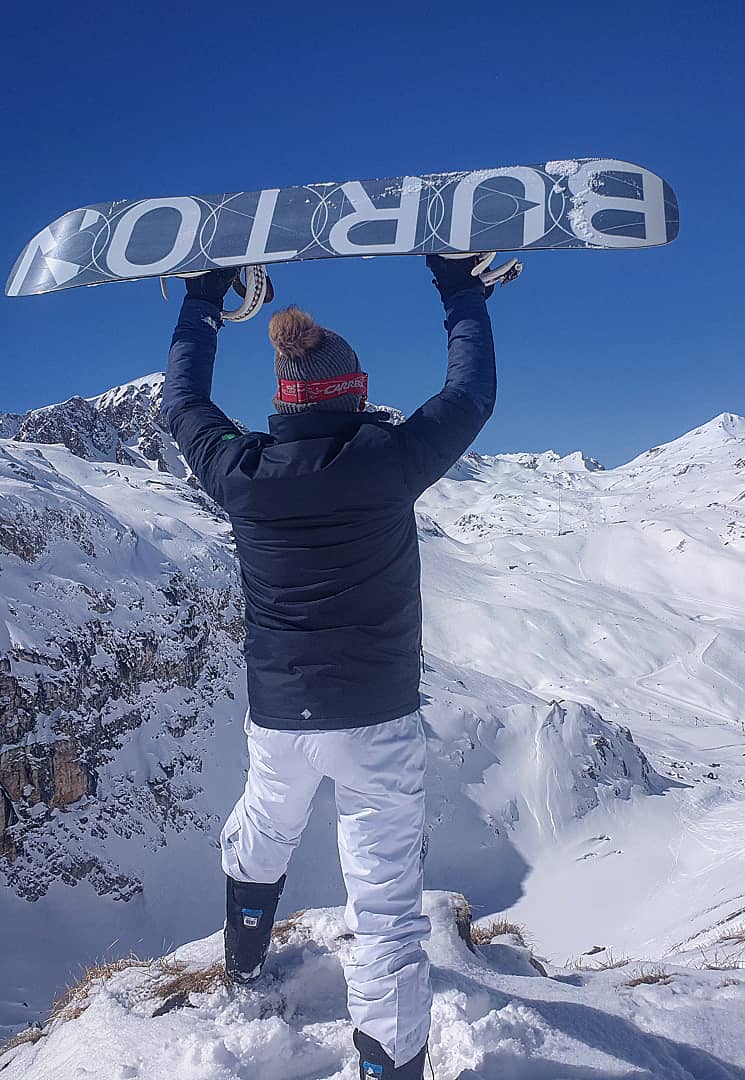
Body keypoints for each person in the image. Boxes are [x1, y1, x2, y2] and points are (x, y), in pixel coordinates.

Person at [162, 254, 509, 1079]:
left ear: (284, 398)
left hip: (281, 719)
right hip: (377, 722)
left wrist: (205, 299)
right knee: (386, 910)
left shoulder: (242, 474)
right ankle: (388, 1066)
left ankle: (244, 964)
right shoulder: (387, 463)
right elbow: (469, 396)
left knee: (261, 833)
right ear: (353, 393)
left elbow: (181, 405)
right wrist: (459, 287)